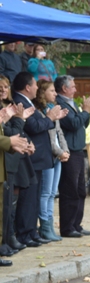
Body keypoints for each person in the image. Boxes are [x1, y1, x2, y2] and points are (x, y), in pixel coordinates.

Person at [12, 71, 62, 248]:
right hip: (29, 157)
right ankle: (25, 233)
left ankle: (32, 231)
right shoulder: (19, 102)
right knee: (28, 198)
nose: (36, 88)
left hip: (37, 157)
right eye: (34, 85)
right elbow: (33, 126)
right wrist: (50, 118)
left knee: (33, 197)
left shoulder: (27, 102)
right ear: (27, 87)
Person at [55, 75, 90, 238]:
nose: (75, 89)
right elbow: (72, 123)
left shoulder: (71, 102)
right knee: (69, 189)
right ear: (64, 88)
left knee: (80, 190)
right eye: (73, 86)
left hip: (78, 149)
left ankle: (76, 224)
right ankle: (67, 227)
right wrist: (85, 110)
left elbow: (82, 123)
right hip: (69, 151)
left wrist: (86, 112)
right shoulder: (60, 103)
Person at [1, 76, 35, 256]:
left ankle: (8, 239)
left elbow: (18, 133)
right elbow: (11, 133)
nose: (3, 90)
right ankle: (6, 241)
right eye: (0, 87)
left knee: (9, 205)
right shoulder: (5, 110)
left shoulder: (11, 106)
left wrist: (28, 143)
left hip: (13, 159)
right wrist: (19, 119)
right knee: (5, 205)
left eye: (6, 87)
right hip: (5, 160)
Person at [33, 80, 67, 242]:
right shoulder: (40, 112)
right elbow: (48, 138)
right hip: (49, 155)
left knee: (53, 193)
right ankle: (45, 226)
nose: (55, 94)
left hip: (58, 156)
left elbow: (59, 132)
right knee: (45, 193)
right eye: (52, 91)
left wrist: (65, 150)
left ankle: (51, 226)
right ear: (42, 92)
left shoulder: (52, 109)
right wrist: (59, 152)